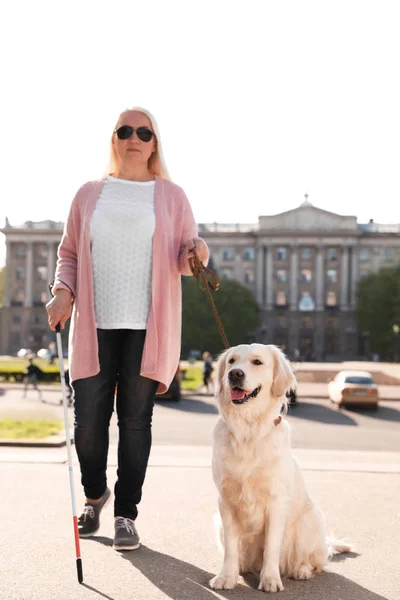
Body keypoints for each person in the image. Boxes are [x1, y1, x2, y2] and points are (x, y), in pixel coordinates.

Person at [46, 107, 209, 551]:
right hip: (94, 324)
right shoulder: (89, 194)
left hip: (147, 327)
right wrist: (63, 289)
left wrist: (198, 251)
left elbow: (183, 259)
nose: (133, 137)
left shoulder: (172, 196)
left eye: (143, 131)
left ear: (154, 143)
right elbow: (70, 254)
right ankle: (96, 493)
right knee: (88, 424)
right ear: (113, 139)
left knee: (136, 421)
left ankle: (125, 515)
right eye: (124, 130)